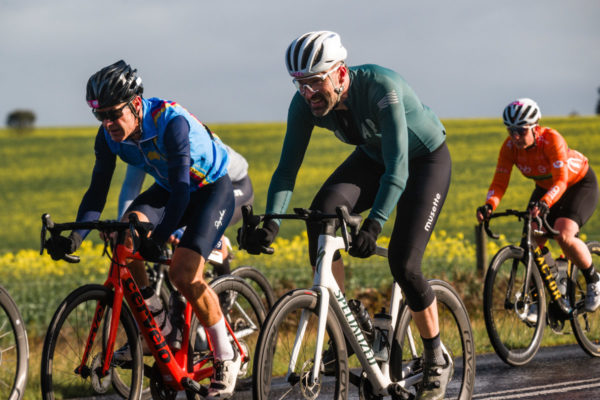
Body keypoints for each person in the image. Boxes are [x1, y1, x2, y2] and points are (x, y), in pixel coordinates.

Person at [241, 31, 453, 400]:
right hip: (373, 159)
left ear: (340, 74)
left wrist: (376, 222)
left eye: (315, 82)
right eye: (300, 84)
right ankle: (350, 321)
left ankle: (436, 355)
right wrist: (271, 222)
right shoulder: (303, 104)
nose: (308, 93)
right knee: (320, 215)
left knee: (404, 264)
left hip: (423, 162)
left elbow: (398, 167)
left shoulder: (381, 87)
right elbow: (286, 170)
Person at [45, 60, 241, 399]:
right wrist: (75, 238)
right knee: (125, 235)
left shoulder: (171, 124)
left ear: (136, 104)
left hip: (208, 189)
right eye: (99, 116)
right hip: (170, 188)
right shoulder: (109, 136)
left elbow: (182, 192)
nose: (107, 123)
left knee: (183, 274)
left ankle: (227, 356)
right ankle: (158, 320)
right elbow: (97, 191)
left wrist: (160, 239)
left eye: (113, 113)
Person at [476, 98, 600, 315]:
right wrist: (489, 205)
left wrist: (545, 203)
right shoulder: (509, 148)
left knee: (564, 234)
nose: (515, 136)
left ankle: (594, 279)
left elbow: (561, 181)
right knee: (532, 237)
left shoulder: (552, 140)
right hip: (546, 187)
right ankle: (554, 281)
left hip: (577, 184)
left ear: (535, 128)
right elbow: (499, 182)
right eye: (511, 130)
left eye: (521, 131)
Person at [118, 142, 254, 274]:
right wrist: (122, 226)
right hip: (192, 189)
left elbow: (198, 196)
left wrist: (176, 228)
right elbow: (131, 187)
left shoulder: (177, 137)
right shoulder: (141, 144)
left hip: (233, 184)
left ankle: (225, 282)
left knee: (204, 226)